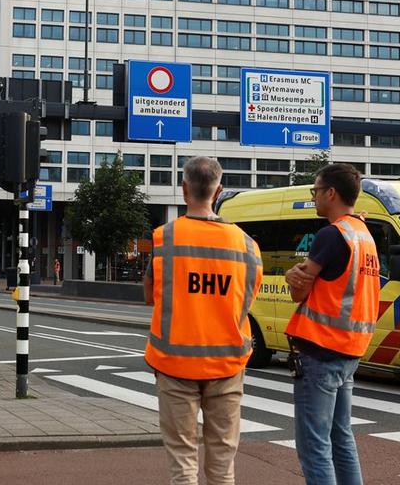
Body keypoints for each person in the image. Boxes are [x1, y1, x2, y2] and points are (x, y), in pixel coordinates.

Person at [143, 156, 263, 485]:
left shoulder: (163, 239)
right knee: (222, 463)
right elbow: (246, 301)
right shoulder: (247, 245)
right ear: (219, 191)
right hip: (227, 365)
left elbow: (149, 295)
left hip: (175, 365)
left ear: (184, 190)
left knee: (183, 461)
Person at [284, 163, 381, 485]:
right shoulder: (364, 236)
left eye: (315, 191)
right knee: (341, 438)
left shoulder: (331, 235)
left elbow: (300, 289)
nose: (314, 197)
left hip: (321, 348)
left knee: (314, 444)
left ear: (331, 193)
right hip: (350, 349)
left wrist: (290, 277)